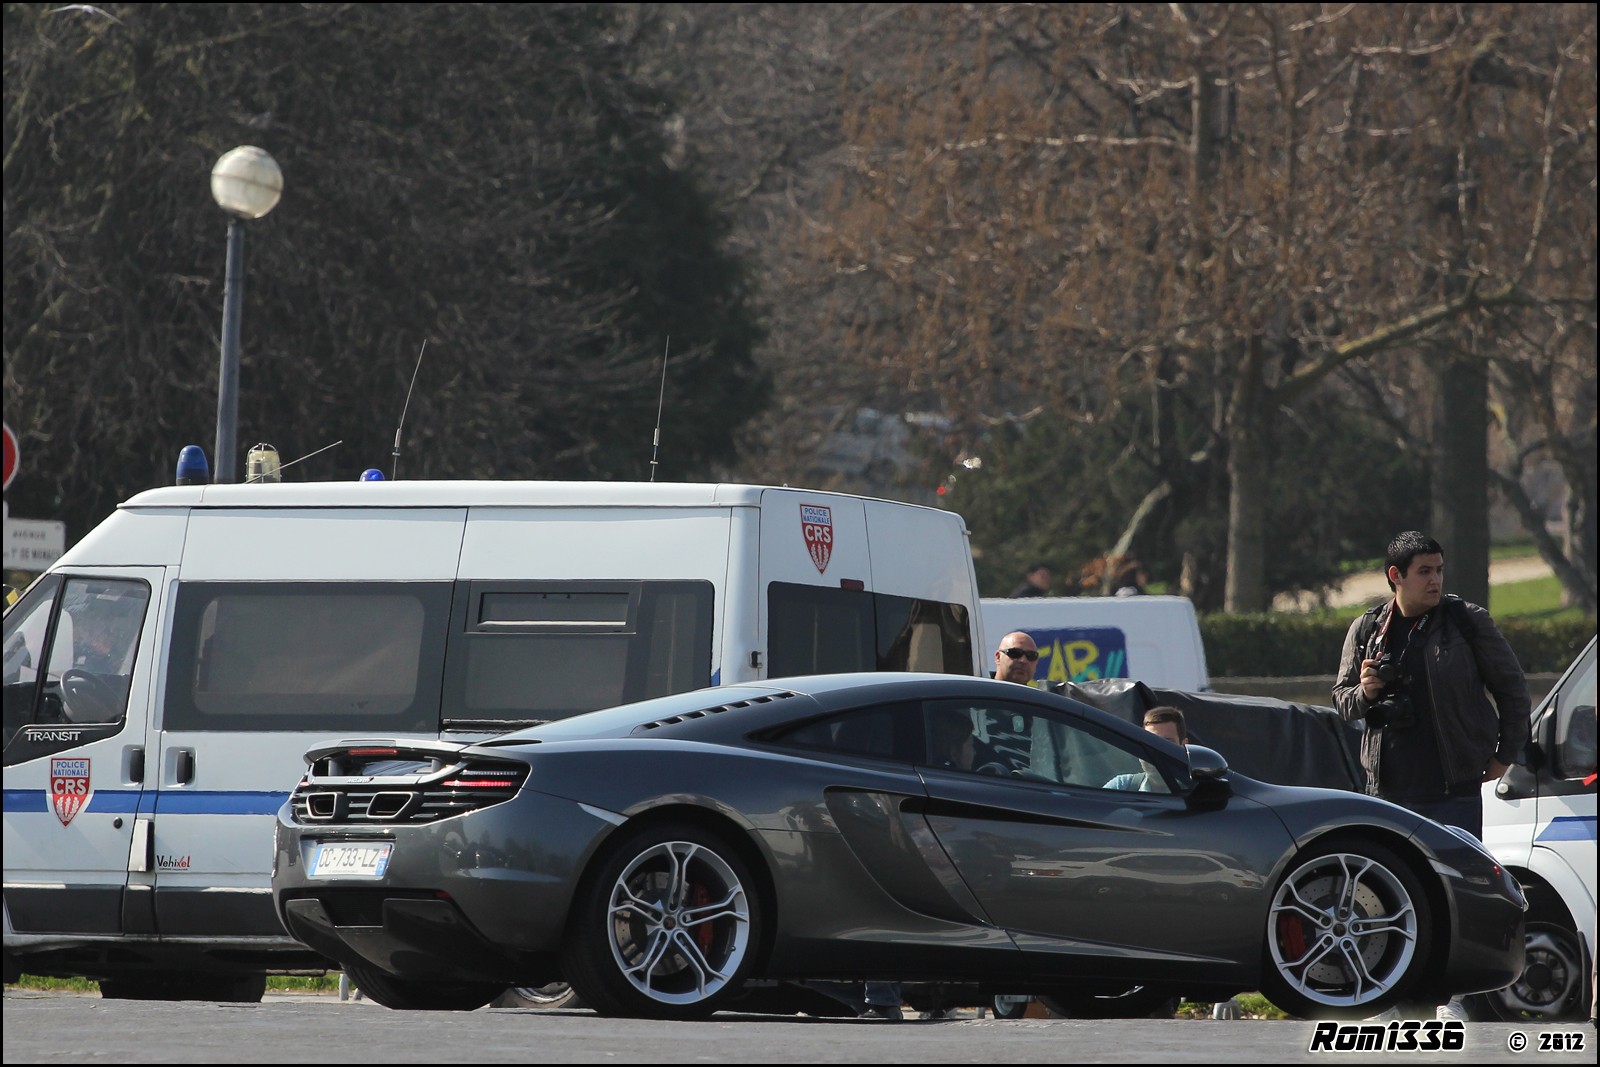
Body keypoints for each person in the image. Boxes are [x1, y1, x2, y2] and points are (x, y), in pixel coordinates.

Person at [1332, 530, 1531, 1023]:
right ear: (1395, 576)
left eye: (1439, 570)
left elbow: (1512, 690)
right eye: (1425, 571)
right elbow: (1341, 703)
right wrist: (1368, 692)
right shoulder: (1366, 629)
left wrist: (1505, 754)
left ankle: (1459, 999)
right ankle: (1395, 998)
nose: (1436, 580)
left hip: (1454, 788)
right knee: (1389, 895)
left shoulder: (1466, 622)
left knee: (1461, 895)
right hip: (1390, 792)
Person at [1103, 706, 1185, 792]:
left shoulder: (1197, 792)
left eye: (1166, 744)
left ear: (1184, 746)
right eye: (1149, 743)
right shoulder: (1122, 786)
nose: (1156, 752)